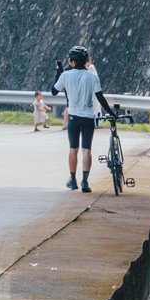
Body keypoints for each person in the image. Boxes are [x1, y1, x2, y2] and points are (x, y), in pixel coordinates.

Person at [53, 46, 112, 193]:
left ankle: (72, 180)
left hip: (73, 117)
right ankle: (85, 181)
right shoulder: (92, 77)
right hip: (88, 117)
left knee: (73, 148)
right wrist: (111, 112)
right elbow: (100, 98)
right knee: (86, 149)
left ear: (71, 61)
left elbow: (54, 91)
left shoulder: (65, 75)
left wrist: (58, 74)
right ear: (86, 60)